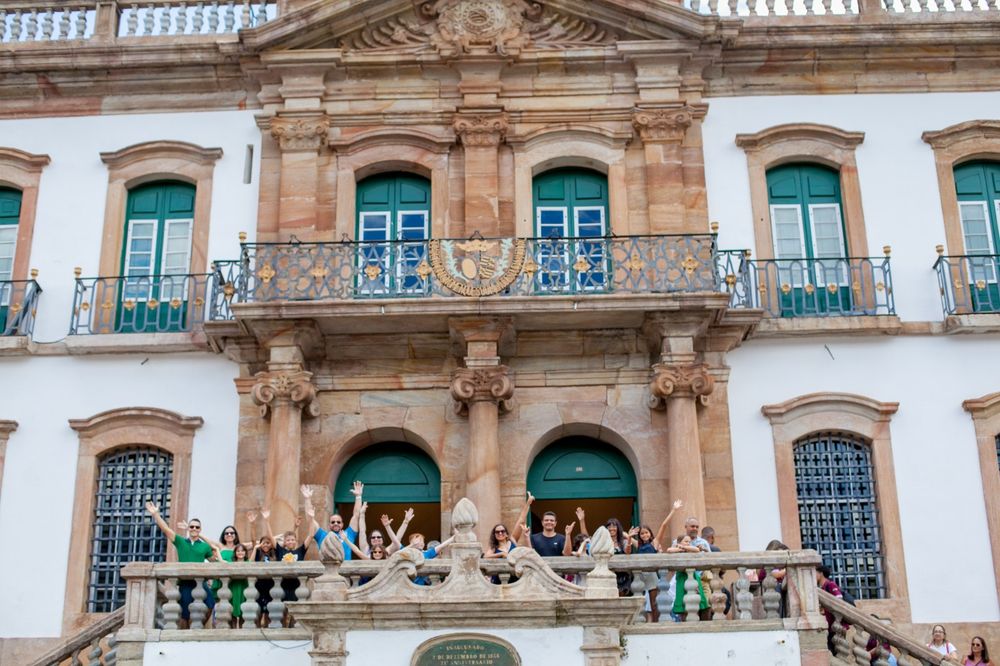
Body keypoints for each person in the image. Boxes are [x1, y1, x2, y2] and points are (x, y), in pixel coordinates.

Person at [144, 501, 214, 629]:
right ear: (188, 529)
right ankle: (186, 634)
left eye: (197, 527)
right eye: (191, 527)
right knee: (185, 613)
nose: (194, 529)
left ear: (200, 529)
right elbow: (166, 529)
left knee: (211, 603)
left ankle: (197, 627)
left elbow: (214, 560)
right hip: (185, 582)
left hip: (200, 582)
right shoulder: (181, 542)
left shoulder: (204, 546)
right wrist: (156, 514)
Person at [302, 482, 363, 560]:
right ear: (329, 524)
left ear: (342, 524)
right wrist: (307, 499)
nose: (336, 523)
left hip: (346, 571)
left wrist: (358, 497)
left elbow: (356, 515)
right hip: (327, 570)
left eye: (338, 522)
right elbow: (310, 520)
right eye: (333, 522)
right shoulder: (322, 535)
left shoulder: (349, 534)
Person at [514, 491, 575, 556]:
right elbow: (530, 555)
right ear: (542, 523)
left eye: (551, 520)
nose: (549, 522)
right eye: (546, 520)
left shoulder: (562, 538)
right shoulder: (534, 538)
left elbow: (567, 554)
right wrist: (526, 537)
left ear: (555, 523)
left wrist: (568, 535)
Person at [666, 534, 709, 621]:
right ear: (678, 542)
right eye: (686, 541)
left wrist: (684, 547)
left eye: (689, 542)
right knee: (683, 600)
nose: (688, 543)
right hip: (682, 577)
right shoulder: (677, 550)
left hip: (692, 577)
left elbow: (696, 549)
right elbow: (669, 550)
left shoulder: (691, 550)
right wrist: (679, 548)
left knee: (695, 600)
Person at [630, 524, 660, 622]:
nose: (644, 535)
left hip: (651, 575)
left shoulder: (654, 543)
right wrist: (630, 535)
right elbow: (624, 535)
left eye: (646, 532)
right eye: (642, 533)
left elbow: (663, 526)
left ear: (650, 533)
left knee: (653, 603)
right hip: (641, 576)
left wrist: (673, 511)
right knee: (640, 602)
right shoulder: (638, 545)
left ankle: (656, 623)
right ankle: (640, 622)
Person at [816, 564, 843, 652]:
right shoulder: (820, 587)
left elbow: (839, 600)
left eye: (815, 573)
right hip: (827, 625)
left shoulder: (830, 585)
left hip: (833, 626)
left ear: (821, 574)